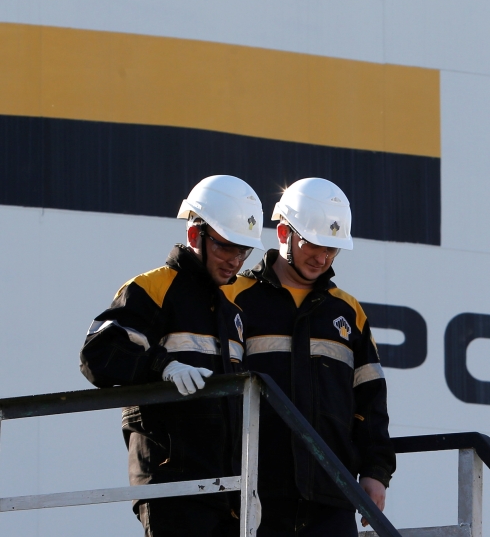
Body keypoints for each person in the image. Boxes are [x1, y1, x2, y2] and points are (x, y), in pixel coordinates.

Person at [80, 175, 265, 537]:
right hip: (170, 484)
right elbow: (97, 354)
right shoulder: (152, 288)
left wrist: (251, 486)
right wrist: (162, 366)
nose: (235, 261)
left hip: (228, 492)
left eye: (244, 251)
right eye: (226, 247)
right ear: (195, 236)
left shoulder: (233, 311)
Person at [223, 178, 394, 537]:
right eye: (314, 245)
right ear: (284, 232)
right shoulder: (235, 296)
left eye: (332, 249)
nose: (323, 258)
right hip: (253, 490)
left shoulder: (348, 312)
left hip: (332, 494)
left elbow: (371, 400)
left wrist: (376, 473)